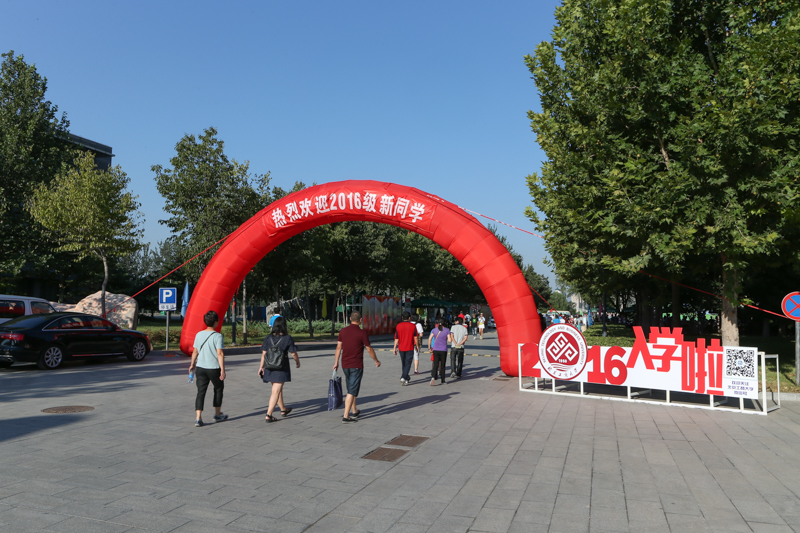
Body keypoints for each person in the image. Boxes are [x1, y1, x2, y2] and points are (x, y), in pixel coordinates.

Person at [333, 312, 381, 423]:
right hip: (356, 365)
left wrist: (336, 362)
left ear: (350, 319)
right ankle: (346, 416)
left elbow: (338, 347)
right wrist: (376, 360)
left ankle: (354, 410)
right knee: (352, 390)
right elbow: (369, 348)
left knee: (351, 387)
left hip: (345, 364)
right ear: (360, 320)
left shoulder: (343, 331)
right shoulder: (362, 333)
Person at [189, 310, 227, 427]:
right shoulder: (218, 336)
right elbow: (220, 353)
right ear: (215, 322)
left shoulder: (199, 334)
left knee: (201, 392)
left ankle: (198, 418)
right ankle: (217, 414)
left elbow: (195, 351)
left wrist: (192, 364)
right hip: (214, 368)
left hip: (200, 367)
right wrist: (222, 369)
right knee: (218, 389)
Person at [258, 316, 300, 423]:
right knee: (276, 391)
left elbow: (264, 354)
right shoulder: (288, 338)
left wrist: (261, 367)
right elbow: (293, 353)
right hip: (281, 368)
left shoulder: (268, 338)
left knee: (277, 389)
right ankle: (269, 415)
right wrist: (297, 362)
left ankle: (283, 409)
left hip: (269, 367)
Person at [393, 311, 417, 385]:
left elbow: (396, 337)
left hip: (401, 347)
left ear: (402, 318)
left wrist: (394, 347)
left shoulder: (398, 326)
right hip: (410, 347)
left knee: (404, 363)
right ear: (409, 318)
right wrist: (417, 345)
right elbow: (415, 337)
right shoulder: (413, 326)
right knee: (408, 363)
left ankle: (406, 378)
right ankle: (403, 377)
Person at [428, 318, 451, 386]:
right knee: (443, 365)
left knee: (435, 365)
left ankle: (433, 377)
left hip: (435, 350)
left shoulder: (434, 330)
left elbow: (429, 338)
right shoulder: (447, 330)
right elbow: (449, 340)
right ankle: (443, 380)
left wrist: (429, 348)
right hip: (443, 350)